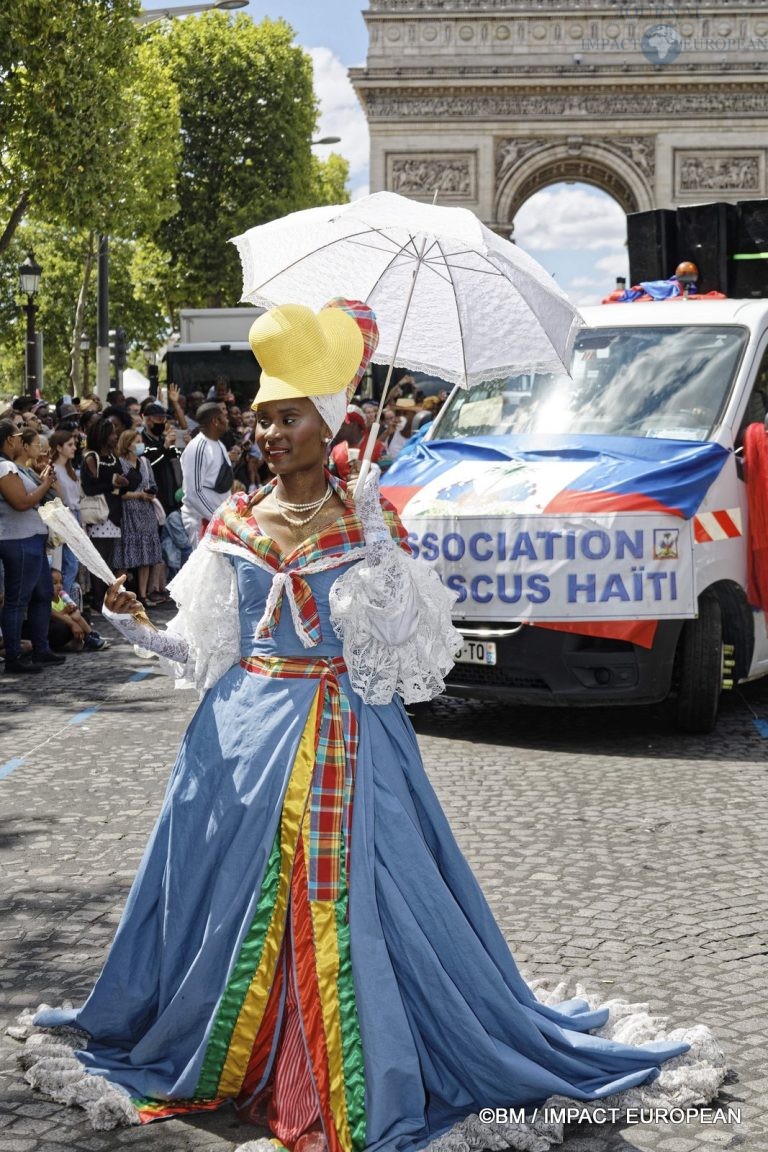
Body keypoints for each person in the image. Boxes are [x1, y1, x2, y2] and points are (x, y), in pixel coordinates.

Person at [22, 300, 722, 1146]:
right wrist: (135, 620)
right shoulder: (234, 522)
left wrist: (381, 556)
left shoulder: (369, 521)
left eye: (286, 419)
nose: (269, 433)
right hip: (234, 748)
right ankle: (235, 1052)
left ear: (327, 426)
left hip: (344, 741)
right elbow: (199, 653)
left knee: (351, 909)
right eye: (262, 419)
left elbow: (408, 655)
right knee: (228, 907)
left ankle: (330, 1067)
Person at [0, 419, 65, 674]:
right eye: (18, 436)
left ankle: (41, 649)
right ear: (9, 440)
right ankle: (15, 656)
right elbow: (22, 502)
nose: (20, 440)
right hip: (18, 539)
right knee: (18, 599)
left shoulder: (14, 467)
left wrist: (42, 481)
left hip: (31, 538)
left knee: (42, 594)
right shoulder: (5, 467)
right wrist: (45, 485)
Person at [112, 428, 164, 607]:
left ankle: (142, 594)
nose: (140, 444)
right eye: (136, 440)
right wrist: (138, 495)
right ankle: (118, 593)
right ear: (127, 444)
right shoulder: (119, 463)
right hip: (128, 511)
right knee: (126, 555)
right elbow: (117, 492)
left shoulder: (145, 462)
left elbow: (152, 484)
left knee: (146, 554)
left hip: (147, 512)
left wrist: (151, 493)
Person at [81, 418, 128, 610]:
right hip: (99, 516)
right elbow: (90, 487)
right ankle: (99, 599)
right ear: (101, 436)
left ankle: (106, 599)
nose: (115, 437)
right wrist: (113, 484)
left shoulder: (113, 458)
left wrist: (125, 483)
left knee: (109, 561)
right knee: (99, 560)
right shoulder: (92, 458)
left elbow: (120, 487)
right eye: (111, 434)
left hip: (115, 514)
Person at [179, 401, 233, 546]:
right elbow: (193, 492)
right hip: (202, 521)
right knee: (203, 568)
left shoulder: (219, 444)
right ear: (215, 421)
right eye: (224, 416)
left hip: (219, 520)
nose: (227, 420)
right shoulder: (197, 447)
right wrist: (217, 518)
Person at [48, 429, 82, 598]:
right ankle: (63, 599)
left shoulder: (70, 469)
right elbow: (58, 497)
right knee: (67, 563)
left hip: (75, 515)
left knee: (72, 563)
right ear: (59, 447)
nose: (74, 448)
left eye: (74, 444)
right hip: (63, 516)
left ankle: (66, 599)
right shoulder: (54, 469)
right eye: (70, 445)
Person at [49, 568, 109, 651]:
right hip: (59, 622)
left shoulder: (62, 595)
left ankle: (90, 635)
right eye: (55, 583)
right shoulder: (47, 601)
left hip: (71, 619)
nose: (59, 586)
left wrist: (74, 610)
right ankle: (88, 638)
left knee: (82, 616)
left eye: (61, 582)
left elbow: (73, 605)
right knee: (64, 626)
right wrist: (66, 612)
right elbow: (55, 616)